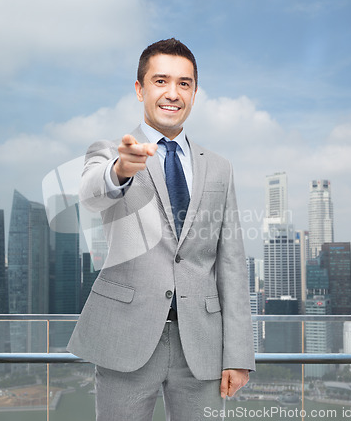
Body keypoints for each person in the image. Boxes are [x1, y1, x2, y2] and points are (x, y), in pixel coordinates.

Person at [67, 38, 255, 421]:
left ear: (195, 92)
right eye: (160, 81)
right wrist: (120, 170)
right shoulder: (111, 152)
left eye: (184, 83)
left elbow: (232, 263)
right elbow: (90, 194)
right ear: (140, 89)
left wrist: (238, 355)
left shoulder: (219, 167)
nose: (173, 93)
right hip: (126, 339)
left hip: (201, 345)